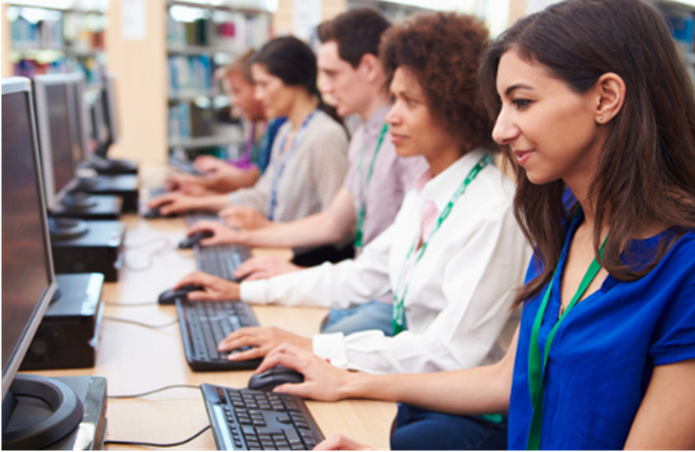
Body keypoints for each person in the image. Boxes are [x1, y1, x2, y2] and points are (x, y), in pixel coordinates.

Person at [250, 1, 695, 451]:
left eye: (521, 102)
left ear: (605, 98)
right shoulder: (562, 224)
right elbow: (508, 379)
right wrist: (346, 382)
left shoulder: (685, 267)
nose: (500, 130)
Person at [173, 13, 530, 381]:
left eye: (409, 101)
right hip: (419, 372)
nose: (392, 116)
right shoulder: (427, 190)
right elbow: (362, 276)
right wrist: (243, 291)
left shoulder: (493, 210)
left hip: (462, 401)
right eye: (393, 98)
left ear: (454, 105)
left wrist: (313, 346)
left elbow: (449, 353)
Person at [184, 8, 429, 336]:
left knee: (290, 343)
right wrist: (242, 237)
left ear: (370, 67)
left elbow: (343, 237)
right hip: (361, 288)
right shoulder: (363, 136)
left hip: (386, 298)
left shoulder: (407, 142)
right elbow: (333, 220)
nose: (325, 86)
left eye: (332, 74)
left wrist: (293, 271)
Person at [148, 37, 349, 232]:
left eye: (265, 84)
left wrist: (268, 229)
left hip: (307, 258)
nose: (259, 95)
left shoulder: (325, 136)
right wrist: (196, 202)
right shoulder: (287, 131)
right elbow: (262, 196)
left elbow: (337, 226)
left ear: (292, 79)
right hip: (279, 246)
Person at [166, 50, 287, 196]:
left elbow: (259, 179)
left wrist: (207, 187)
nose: (233, 101)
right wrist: (224, 168)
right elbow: (253, 168)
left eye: (237, 91)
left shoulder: (279, 125)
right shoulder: (257, 123)